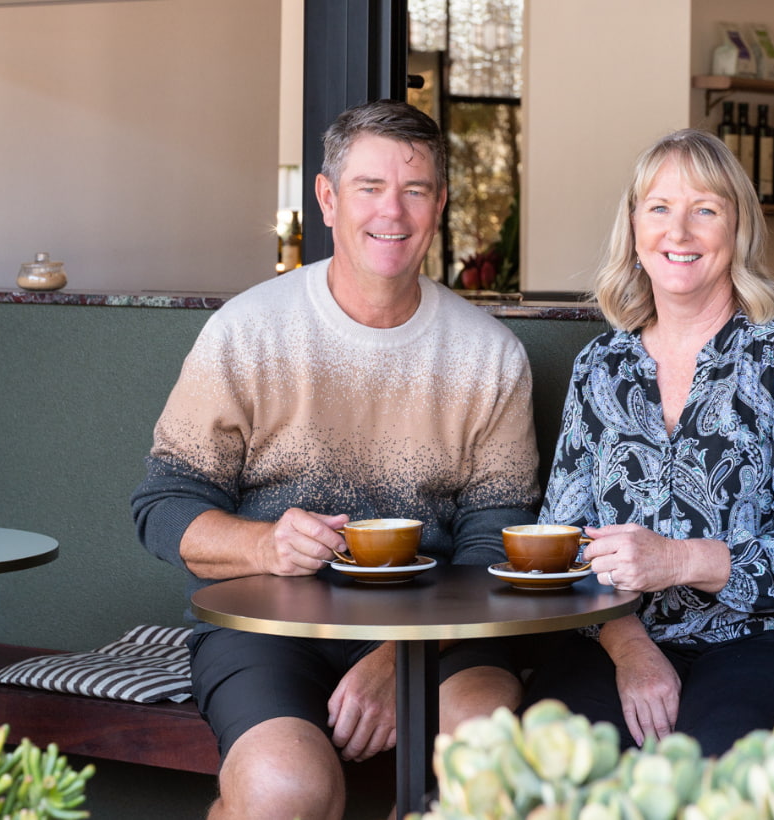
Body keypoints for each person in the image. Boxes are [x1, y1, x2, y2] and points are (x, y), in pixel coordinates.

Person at [131, 99, 539, 820]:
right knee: (286, 790)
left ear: (439, 204)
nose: (394, 211)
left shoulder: (489, 355)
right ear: (326, 197)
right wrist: (266, 542)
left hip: (442, 634)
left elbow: (492, 543)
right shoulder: (248, 331)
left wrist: (396, 658)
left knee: (489, 767)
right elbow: (164, 508)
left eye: (416, 191)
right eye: (369, 187)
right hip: (267, 629)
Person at [519, 128, 774, 757]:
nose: (678, 233)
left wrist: (679, 561)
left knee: (713, 765)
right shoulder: (601, 366)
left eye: (704, 210)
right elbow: (563, 545)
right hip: (624, 637)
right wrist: (630, 648)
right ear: (634, 229)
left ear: (737, 231)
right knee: (543, 763)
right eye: (659, 209)